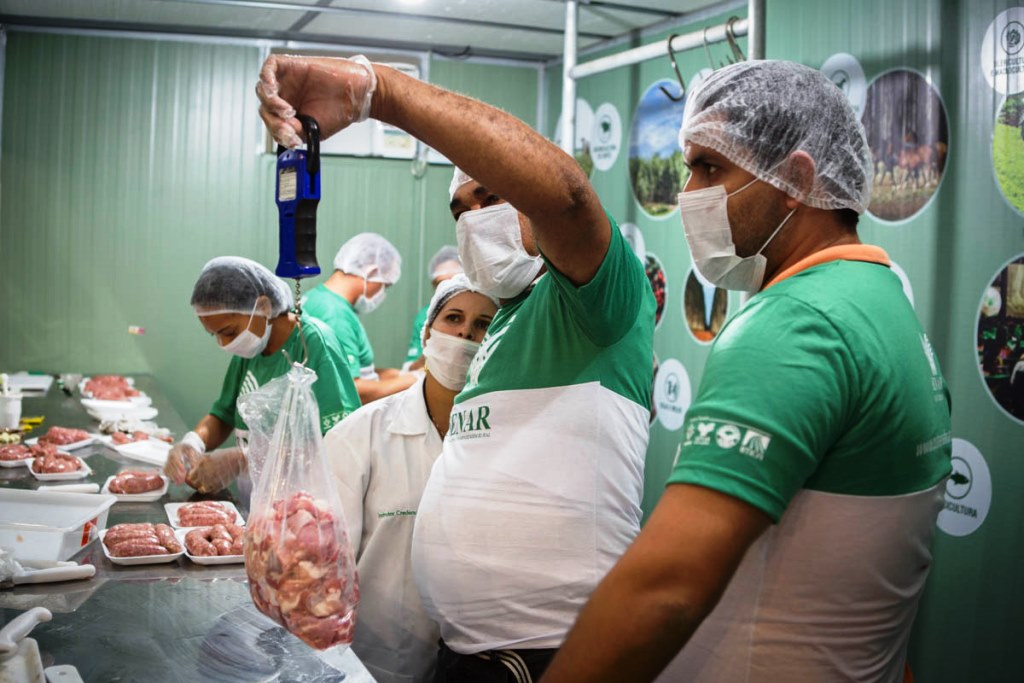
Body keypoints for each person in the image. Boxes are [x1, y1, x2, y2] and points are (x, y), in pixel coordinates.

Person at [540, 60, 954, 683]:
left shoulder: (796, 324)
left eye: (711, 168)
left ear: (796, 177)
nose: (688, 193)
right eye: (687, 168)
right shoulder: (879, 299)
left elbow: (667, 588)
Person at [256, 53, 655, 680]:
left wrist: (379, 93)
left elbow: (571, 199)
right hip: (468, 655)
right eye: (460, 207)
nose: (474, 218)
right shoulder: (507, 322)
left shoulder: (592, 301)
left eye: (492, 196)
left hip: (554, 653)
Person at [324, 274, 498, 683]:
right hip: (376, 659)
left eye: (483, 324)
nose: (465, 334)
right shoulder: (361, 435)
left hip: (472, 661)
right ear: (427, 334)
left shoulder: (503, 437)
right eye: (453, 318)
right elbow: (326, 564)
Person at [164, 256, 360, 494]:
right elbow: (224, 414)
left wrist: (243, 459)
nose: (224, 343)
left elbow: (337, 439)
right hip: (259, 501)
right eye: (214, 335)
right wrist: (194, 442)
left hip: (303, 501)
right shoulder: (250, 350)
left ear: (264, 307)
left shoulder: (314, 344)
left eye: (228, 332)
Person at [301, 232, 416, 403]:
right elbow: (352, 388)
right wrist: (413, 381)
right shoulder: (336, 315)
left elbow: (355, 370)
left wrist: (395, 375)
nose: (382, 293)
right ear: (372, 272)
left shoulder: (316, 298)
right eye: (385, 285)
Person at [402, 245, 462, 371]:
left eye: (453, 282)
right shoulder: (426, 316)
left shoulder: (486, 310)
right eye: (440, 284)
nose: (447, 289)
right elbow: (411, 368)